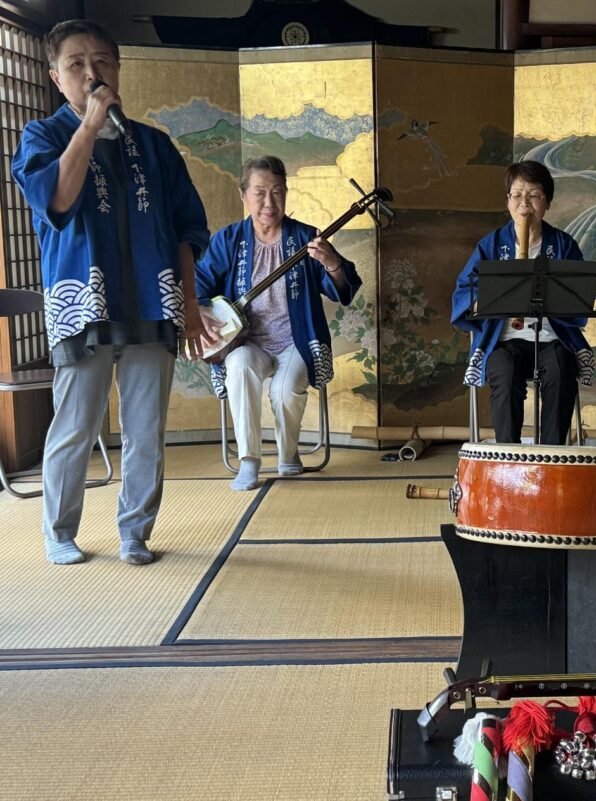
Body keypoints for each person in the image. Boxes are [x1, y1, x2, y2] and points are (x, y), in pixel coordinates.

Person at [12, 20, 212, 566]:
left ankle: (135, 531)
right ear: (56, 77)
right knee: (75, 424)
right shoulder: (42, 137)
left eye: (102, 62)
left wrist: (190, 307)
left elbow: (187, 230)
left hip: (153, 302)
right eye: (76, 64)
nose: (92, 73)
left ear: (119, 69)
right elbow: (55, 200)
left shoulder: (154, 144)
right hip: (84, 306)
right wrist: (89, 126)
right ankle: (59, 531)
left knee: (146, 429)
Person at [194, 155, 361, 491]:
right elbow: (199, 285)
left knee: (284, 390)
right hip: (247, 341)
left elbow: (343, 287)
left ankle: (289, 455)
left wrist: (332, 264)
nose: (269, 203)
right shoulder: (230, 240)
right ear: (244, 196)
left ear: (286, 194)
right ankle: (249, 460)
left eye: (277, 192)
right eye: (259, 193)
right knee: (238, 367)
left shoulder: (304, 237)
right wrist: (200, 313)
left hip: (294, 340)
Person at [451, 160, 594, 446]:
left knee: (561, 368)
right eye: (517, 195)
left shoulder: (563, 245)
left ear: (547, 202)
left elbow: (578, 301)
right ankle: (508, 455)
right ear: (507, 202)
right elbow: (463, 292)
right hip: (505, 340)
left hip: (553, 339)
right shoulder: (491, 245)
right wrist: (487, 299)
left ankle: (552, 457)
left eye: (534, 195)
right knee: (504, 371)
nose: (524, 204)